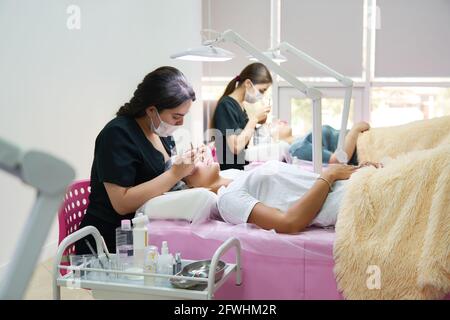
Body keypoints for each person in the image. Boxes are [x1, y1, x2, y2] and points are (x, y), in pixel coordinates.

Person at [76, 66, 204, 254]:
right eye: (176, 116)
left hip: (147, 229)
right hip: (111, 242)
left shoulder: (161, 133)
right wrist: (176, 173)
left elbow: (162, 180)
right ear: (152, 110)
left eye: (184, 117)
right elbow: (122, 203)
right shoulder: (117, 134)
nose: (180, 123)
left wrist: (187, 171)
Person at [183, 159, 381, 234]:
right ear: (190, 187)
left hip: (356, 186)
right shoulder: (228, 200)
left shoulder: (236, 176)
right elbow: (289, 223)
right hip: (353, 202)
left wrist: (355, 170)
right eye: (191, 166)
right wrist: (330, 175)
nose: (198, 157)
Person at [211, 63, 272, 170]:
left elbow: (244, 141)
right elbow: (235, 147)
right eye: (261, 90)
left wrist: (257, 123)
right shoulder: (226, 105)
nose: (262, 95)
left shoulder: (241, 106)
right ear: (248, 83)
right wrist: (254, 120)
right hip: (230, 171)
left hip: (240, 168)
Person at [270, 120, 371, 165]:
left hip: (364, 140)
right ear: (273, 140)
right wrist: (355, 130)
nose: (279, 121)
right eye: (272, 124)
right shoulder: (298, 148)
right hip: (364, 147)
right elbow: (339, 160)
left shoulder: (300, 140)